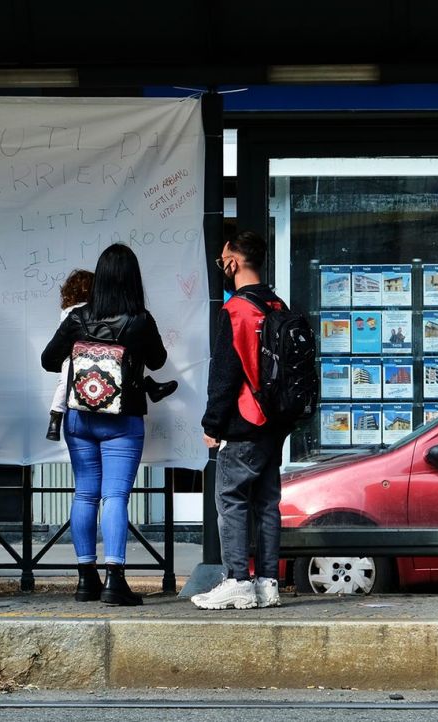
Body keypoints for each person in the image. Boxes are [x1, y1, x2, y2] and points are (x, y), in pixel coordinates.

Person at [41, 244, 168, 606]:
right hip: (122, 421)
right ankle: (115, 580)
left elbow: (49, 360)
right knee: (115, 496)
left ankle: (86, 580)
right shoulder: (140, 320)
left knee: (84, 494)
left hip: (79, 417)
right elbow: (157, 361)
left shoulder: (77, 318)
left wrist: (86, 355)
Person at [192, 230, 287, 611]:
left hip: (245, 421)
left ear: (233, 260)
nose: (222, 265)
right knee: (267, 503)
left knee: (231, 499)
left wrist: (212, 425)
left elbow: (225, 373)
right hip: (274, 422)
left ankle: (237, 580)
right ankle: (267, 581)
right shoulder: (277, 305)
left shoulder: (237, 310)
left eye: (222, 258)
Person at [47, 268, 177, 441]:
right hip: (119, 411)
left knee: (65, 382)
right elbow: (156, 361)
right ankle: (149, 385)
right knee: (124, 362)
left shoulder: (73, 314)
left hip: (81, 411)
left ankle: (55, 419)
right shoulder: (107, 314)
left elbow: (48, 359)